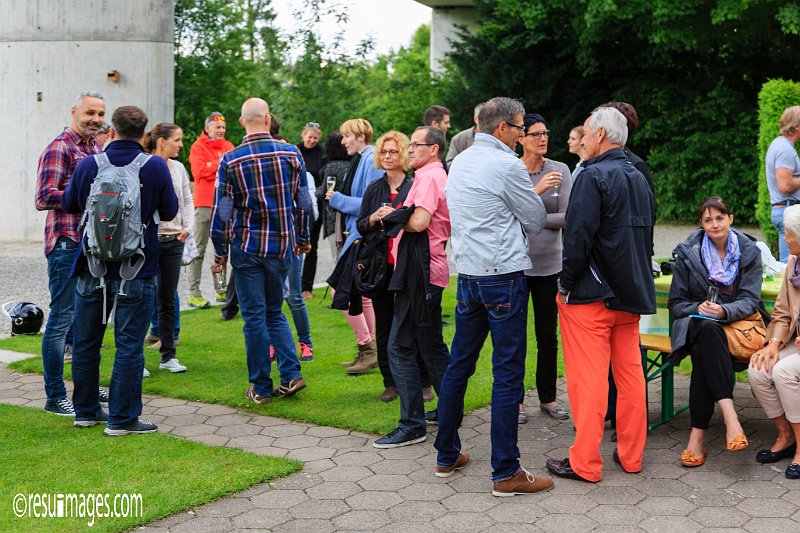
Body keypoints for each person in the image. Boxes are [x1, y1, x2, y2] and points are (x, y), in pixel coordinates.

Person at [435, 97, 552, 495]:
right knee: (507, 374)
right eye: (521, 127)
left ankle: (446, 454)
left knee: (459, 365)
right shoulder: (506, 164)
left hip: (467, 274)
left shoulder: (461, 160)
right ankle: (506, 471)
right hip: (502, 275)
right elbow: (536, 220)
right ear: (502, 127)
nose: (524, 134)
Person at [547, 106, 655, 483]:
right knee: (630, 377)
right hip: (630, 293)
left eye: (589, 132)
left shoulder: (593, 174)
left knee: (588, 380)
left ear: (602, 136)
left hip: (592, 296)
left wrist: (564, 283)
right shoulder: (639, 175)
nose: (585, 138)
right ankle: (632, 455)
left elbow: (577, 239)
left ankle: (586, 463)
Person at [63, 105, 178, 434]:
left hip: (92, 267)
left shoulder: (90, 164)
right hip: (136, 269)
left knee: (85, 342)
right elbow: (169, 210)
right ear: (145, 135)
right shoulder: (154, 165)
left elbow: (71, 204)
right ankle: (123, 419)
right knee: (129, 345)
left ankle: (85, 411)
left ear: (111, 131)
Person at [210, 98, 311, 404]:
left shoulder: (231, 160)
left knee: (254, 318)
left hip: (247, 247)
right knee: (274, 312)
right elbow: (303, 203)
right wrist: (303, 237)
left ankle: (262, 387)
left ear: (242, 122)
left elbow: (223, 211)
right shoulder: (292, 153)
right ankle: (292, 374)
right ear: (267, 119)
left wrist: (219, 251)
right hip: (281, 246)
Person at [669, 196, 763, 467]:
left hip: (736, 326)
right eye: (708, 220)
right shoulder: (689, 252)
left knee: (704, 349)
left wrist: (724, 311)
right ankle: (730, 418)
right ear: (702, 223)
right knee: (706, 329)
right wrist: (699, 306)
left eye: (720, 218)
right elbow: (676, 304)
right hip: (694, 324)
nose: (714, 224)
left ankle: (697, 437)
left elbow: (750, 300)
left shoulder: (749, 251)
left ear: (730, 219)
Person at [373, 126, 452, 448]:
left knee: (399, 347)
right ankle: (450, 409)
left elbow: (419, 222)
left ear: (433, 149)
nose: (410, 151)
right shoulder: (428, 175)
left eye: (416, 145)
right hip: (427, 271)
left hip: (421, 273)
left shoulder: (430, 177)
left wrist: (391, 215)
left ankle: (412, 425)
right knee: (430, 344)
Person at [35, 90, 106, 416]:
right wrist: (82, 193)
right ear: (74, 110)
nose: (95, 119)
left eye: (100, 114)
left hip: (91, 243)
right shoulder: (59, 147)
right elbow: (43, 197)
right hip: (65, 243)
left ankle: (87, 392)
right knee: (61, 323)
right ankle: (54, 396)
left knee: (86, 324)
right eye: (90, 113)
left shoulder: (95, 148)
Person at [519, 113, 572, 422]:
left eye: (545, 132)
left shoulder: (560, 170)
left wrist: (529, 220)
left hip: (550, 267)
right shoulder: (512, 170)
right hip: (516, 267)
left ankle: (548, 399)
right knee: (513, 339)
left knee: (547, 337)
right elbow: (507, 215)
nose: (543, 138)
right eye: (536, 133)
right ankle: (516, 402)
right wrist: (535, 196)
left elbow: (568, 216)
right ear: (521, 138)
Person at [356, 131, 414, 402]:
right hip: (380, 265)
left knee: (412, 323)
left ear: (403, 153)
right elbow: (359, 226)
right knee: (384, 325)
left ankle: (420, 381)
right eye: (384, 152)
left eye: (393, 152)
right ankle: (389, 381)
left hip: (408, 264)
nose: (388, 157)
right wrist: (373, 218)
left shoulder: (414, 185)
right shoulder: (374, 188)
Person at [326, 118, 384, 373]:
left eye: (347, 136)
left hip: (362, 234)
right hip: (358, 231)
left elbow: (370, 204)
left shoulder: (370, 160)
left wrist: (338, 199)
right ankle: (372, 350)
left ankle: (367, 346)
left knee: (340, 288)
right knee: (362, 296)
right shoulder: (364, 158)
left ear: (360, 136)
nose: (343, 141)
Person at [749, 204, 800, 479]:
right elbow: (781, 312)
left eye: (788, 234)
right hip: (795, 342)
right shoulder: (793, 263)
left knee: (784, 371)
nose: (785, 238)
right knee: (759, 368)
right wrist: (773, 343)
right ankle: (785, 436)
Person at [143, 122, 194, 375]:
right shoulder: (143, 164)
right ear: (162, 141)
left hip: (174, 240)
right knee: (140, 297)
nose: (181, 144)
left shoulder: (179, 168)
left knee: (167, 298)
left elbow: (187, 198)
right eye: (177, 139)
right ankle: (135, 360)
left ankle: (168, 356)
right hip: (149, 240)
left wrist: (188, 226)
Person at [187, 111, 234, 309]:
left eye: (223, 127)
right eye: (218, 127)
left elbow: (233, 170)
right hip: (205, 204)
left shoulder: (229, 146)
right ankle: (194, 293)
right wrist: (221, 163)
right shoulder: (197, 147)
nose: (221, 130)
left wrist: (212, 165)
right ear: (207, 129)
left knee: (222, 251)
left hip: (224, 204)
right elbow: (198, 172)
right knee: (198, 249)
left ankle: (221, 290)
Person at [297, 122, 329, 299]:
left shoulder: (322, 154)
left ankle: (306, 286)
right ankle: (290, 285)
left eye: (315, 138)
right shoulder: (294, 150)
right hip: (296, 204)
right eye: (309, 137)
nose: (312, 140)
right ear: (303, 135)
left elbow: (325, 180)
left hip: (315, 205)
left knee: (311, 246)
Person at [766, 106, 800, 262]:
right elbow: (785, 186)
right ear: (797, 126)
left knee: (791, 265)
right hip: (788, 210)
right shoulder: (784, 149)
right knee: (791, 266)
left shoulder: (781, 145)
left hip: (786, 208)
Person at [318, 131, 351, 256]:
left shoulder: (331, 167)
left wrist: (316, 190)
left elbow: (324, 192)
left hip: (334, 218)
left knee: (338, 256)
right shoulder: (354, 164)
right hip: (350, 217)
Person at [445, 102, 483, 166]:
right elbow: (449, 164)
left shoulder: (498, 137)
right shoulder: (458, 139)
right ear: (476, 119)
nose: (488, 122)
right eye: (484, 119)